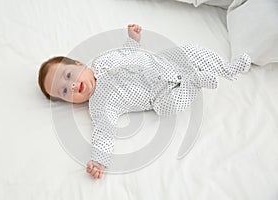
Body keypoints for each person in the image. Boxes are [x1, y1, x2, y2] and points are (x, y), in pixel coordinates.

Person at [38, 24, 251, 180]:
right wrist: (99, 160)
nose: (72, 86)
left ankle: (227, 68)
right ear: (69, 102)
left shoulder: (102, 60)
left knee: (190, 51)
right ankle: (195, 82)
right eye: (64, 91)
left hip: (162, 62)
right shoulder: (99, 106)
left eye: (68, 76)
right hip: (159, 93)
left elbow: (124, 53)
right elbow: (104, 132)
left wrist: (133, 40)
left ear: (79, 64)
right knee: (167, 107)